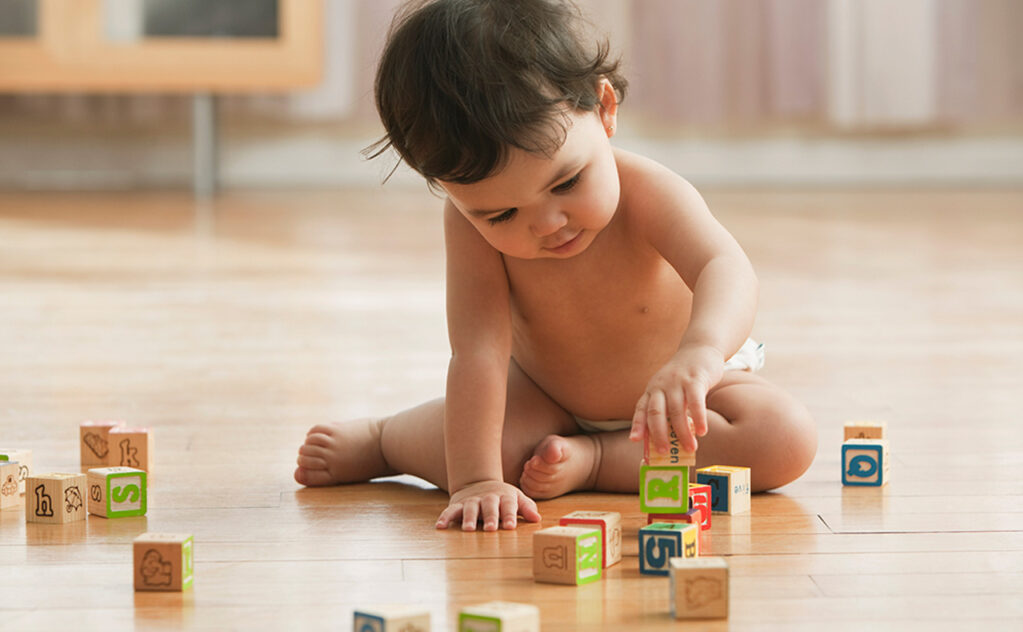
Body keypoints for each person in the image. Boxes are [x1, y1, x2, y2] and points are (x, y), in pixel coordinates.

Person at [294, 0, 817, 531]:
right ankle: (387, 440)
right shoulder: (468, 227)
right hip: (547, 396)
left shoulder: (648, 192)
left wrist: (700, 353)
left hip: (682, 388)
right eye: (500, 214)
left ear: (604, 107)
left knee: (783, 437)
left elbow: (724, 266)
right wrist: (475, 480)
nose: (547, 223)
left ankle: (595, 460)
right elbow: (479, 351)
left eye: (566, 183)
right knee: (487, 456)